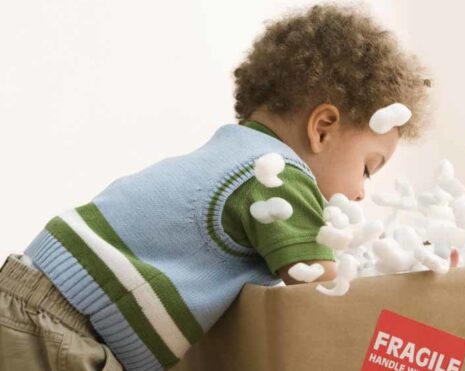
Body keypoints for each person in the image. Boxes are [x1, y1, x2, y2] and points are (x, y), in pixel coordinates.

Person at [0, 4, 440, 370]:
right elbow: (328, 294)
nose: (362, 193)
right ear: (322, 128)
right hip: (57, 329)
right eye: (367, 168)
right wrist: (422, 293)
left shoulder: (233, 153)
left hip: (40, 305)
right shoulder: (277, 178)